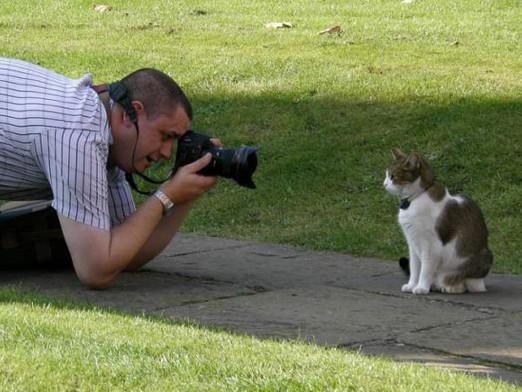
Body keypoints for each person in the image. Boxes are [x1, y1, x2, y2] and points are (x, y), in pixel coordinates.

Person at [0, 57, 220, 288]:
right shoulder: (78, 135)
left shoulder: (104, 131)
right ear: (131, 114)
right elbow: (95, 270)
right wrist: (165, 196)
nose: (167, 153)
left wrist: (185, 195)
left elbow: (127, 254)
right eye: (165, 136)